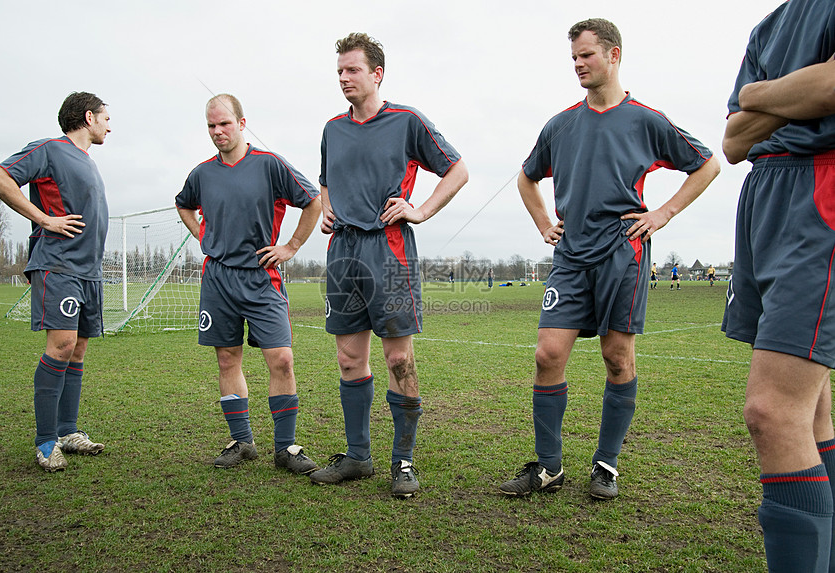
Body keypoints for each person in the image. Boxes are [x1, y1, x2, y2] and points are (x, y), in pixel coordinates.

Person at [504, 18, 719, 500]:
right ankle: (549, 467)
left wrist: (663, 212)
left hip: (623, 251)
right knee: (548, 354)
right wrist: (543, 222)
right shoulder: (560, 125)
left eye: (587, 55)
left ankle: (606, 465)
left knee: (616, 358)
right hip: (571, 254)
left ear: (614, 55)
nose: (579, 65)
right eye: (574, 58)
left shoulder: (645, 119)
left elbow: (707, 164)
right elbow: (526, 178)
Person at [310, 32, 469, 498]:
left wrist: (419, 211)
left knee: (398, 357)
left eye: (353, 70)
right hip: (343, 252)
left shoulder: (406, 121)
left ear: (377, 73)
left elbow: (457, 170)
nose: (344, 78)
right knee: (348, 358)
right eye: (339, 70)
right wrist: (327, 206)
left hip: (390, 249)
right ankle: (358, 456)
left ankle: (403, 461)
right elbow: (324, 181)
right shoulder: (331, 129)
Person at [721, 1, 835, 569]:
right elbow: (734, 143)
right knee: (811, 413)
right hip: (765, 195)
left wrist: (759, 95)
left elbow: (830, 86)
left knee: (771, 411)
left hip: (822, 189)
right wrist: (797, 94)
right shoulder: (769, 25)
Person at [176, 94, 322, 474]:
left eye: (224, 123)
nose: (217, 131)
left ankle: (286, 448)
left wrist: (291, 246)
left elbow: (312, 202)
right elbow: (184, 204)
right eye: (211, 126)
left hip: (262, 277)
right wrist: (201, 233)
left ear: (242, 123)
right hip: (218, 279)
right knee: (227, 358)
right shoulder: (202, 173)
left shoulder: (270, 165)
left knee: (282, 359)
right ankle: (242, 441)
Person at [0, 92, 111, 472]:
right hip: (58, 264)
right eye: (106, 117)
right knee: (61, 345)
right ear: (88, 117)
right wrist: (43, 219)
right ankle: (45, 441)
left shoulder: (87, 161)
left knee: (77, 350)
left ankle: (67, 431)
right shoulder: (48, 149)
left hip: (88, 271)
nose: (110, 124)